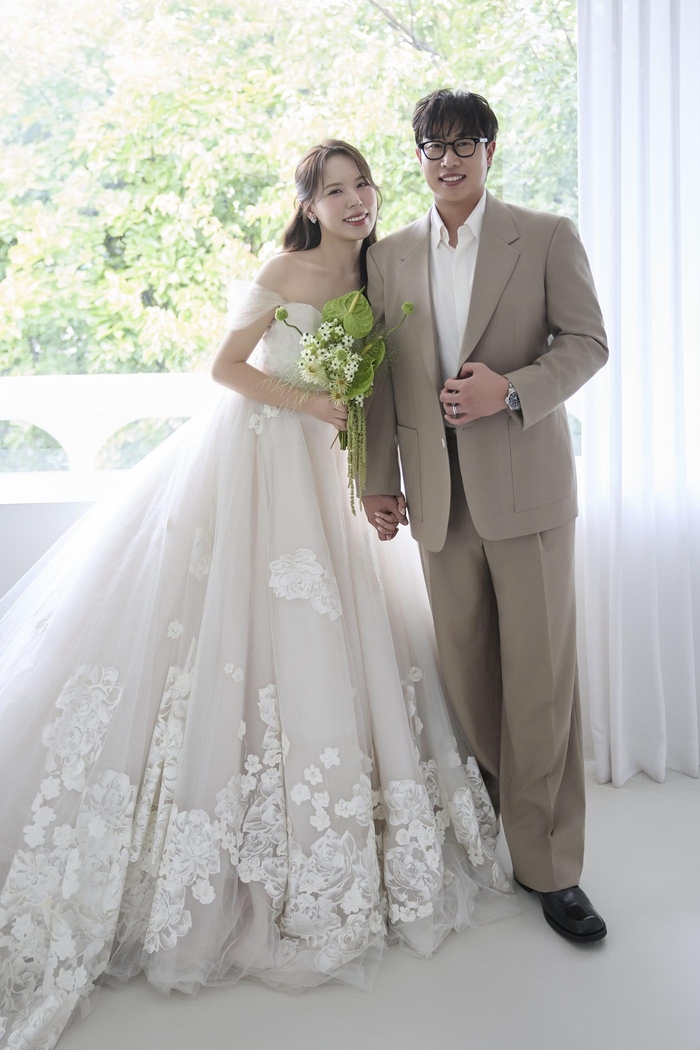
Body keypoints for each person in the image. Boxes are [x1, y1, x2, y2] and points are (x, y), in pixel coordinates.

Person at [0, 140, 518, 1049]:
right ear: (308, 205)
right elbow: (225, 368)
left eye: (363, 185)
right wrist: (307, 401)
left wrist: (370, 468)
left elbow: (386, 386)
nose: (355, 201)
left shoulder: (383, 272)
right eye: (335, 190)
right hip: (262, 457)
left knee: (338, 634)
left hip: (328, 470)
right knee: (239, 630)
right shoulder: (285, 269)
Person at [362, 90, 609, 943]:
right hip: (438, 502)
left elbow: (588, 342)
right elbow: (381, 376)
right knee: (468, 682)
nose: (449, 160)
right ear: (418, 157)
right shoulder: (389, 255)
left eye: (465, 144)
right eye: (434, 146)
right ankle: (502, 827)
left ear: (491, 152)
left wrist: (511, 391)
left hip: (528, 493)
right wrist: (377, 478)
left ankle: (552, 867)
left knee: (540, 682)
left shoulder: (544, 236)